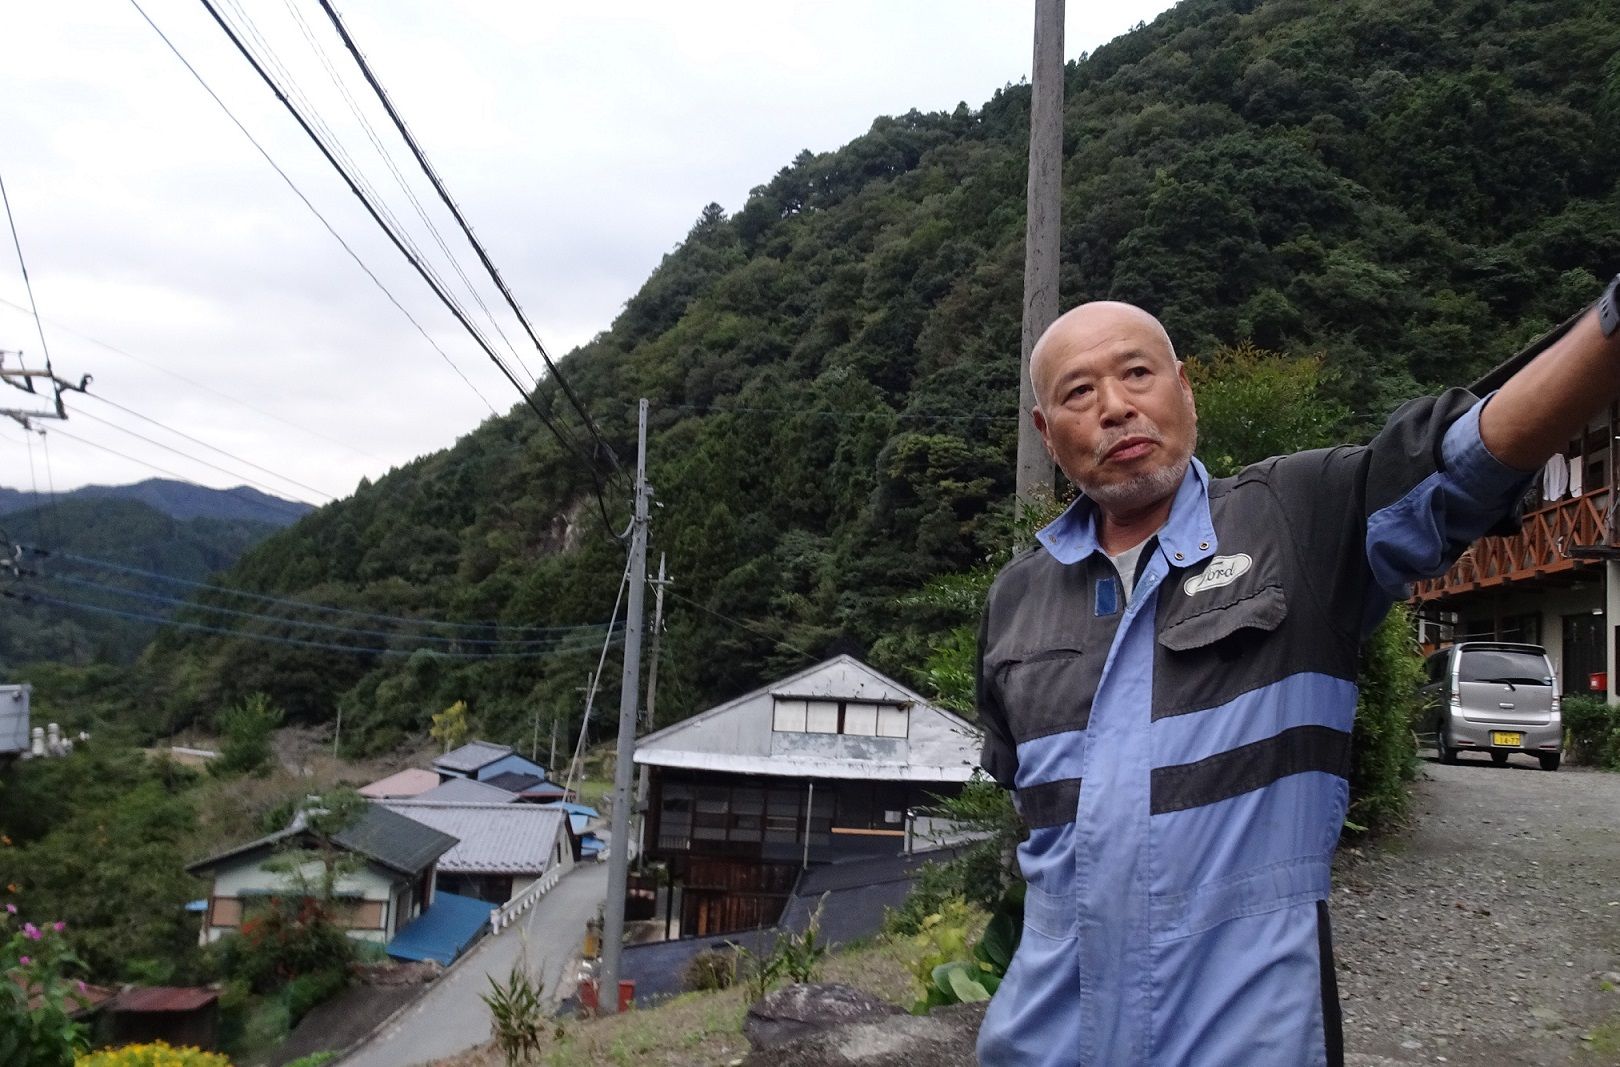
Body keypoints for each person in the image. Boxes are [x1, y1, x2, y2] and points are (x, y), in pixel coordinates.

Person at [974, 281, 1620, 1067]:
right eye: (1080, 391)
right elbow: (1033, 826)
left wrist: (1610, 324)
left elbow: (1462, 462)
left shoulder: (1297, 517)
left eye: (1137, 374)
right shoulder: (1016, 599)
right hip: (1041, 1047)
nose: (1114, 405)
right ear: (1047, 430)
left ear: (1184, 387)